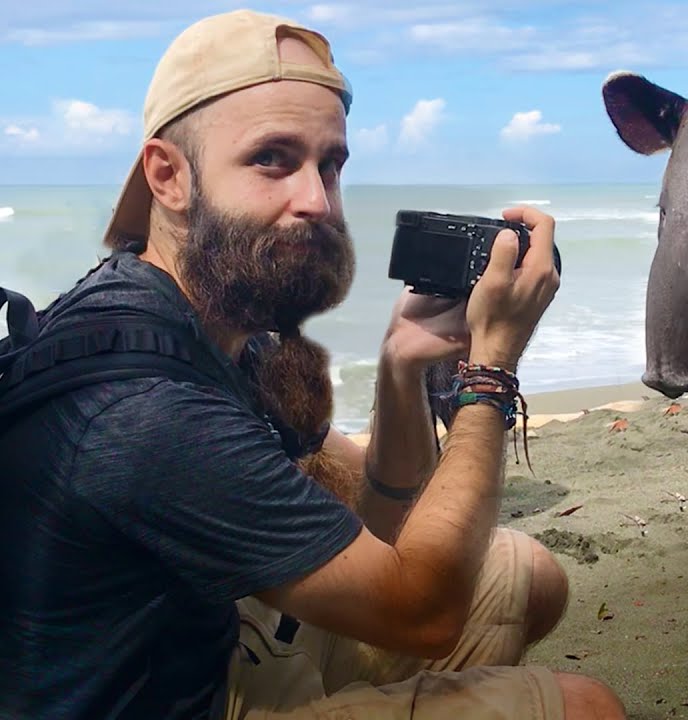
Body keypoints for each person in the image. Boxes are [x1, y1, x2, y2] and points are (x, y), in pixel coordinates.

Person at [0, 9, 626, 720]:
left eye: (330, 164)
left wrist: (399, 368)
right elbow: (424, 613)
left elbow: (379, 516)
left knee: (526, 575)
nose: (318, 201)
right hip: (177, 700)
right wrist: (488, 373)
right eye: (272, 159)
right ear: (167, 176)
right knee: (585, 709)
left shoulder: (209, 323)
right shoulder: (146, 411)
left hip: (210, 647)